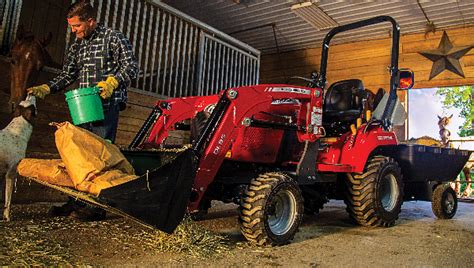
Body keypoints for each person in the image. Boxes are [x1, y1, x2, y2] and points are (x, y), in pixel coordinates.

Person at [27, 0, 139, 221]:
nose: (73, 30)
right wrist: (48, 87)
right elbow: (69, 74)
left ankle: (96, 207)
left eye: (77, 26)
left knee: (99, 156)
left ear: (91, 21)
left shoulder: (113, 38)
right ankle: (75, 201)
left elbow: (132, 66)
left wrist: (113, 82)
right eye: (71, 26)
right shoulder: (77, 45)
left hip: (107, 105)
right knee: (77, 155)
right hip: (83, 106)